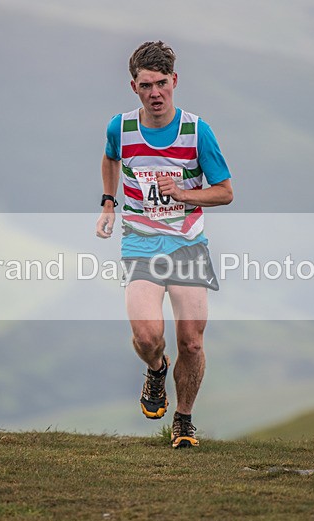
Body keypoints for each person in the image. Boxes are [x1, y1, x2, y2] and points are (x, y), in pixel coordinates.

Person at [95, 41, 233, 448]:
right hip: (140, 240)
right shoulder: (120, 127)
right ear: (133, 86)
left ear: (174, 81)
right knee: (147, 335)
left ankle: (184, 420)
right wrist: (108, 202)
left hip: (187, 244)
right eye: (145, 85)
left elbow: (225, 192)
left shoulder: (196, 131)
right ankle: (156, 369)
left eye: (161, 84)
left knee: (191, 340)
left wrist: (185, 195)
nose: (155, 93)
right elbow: (110, 157)